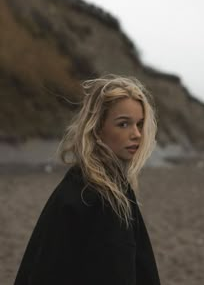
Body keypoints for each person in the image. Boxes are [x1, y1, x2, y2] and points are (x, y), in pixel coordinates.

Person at [14, 75, 161, 285]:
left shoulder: (89, 181)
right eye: (123, 124)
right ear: (97, 128)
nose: (137, 134)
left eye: (139, 124)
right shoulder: (98, 194)